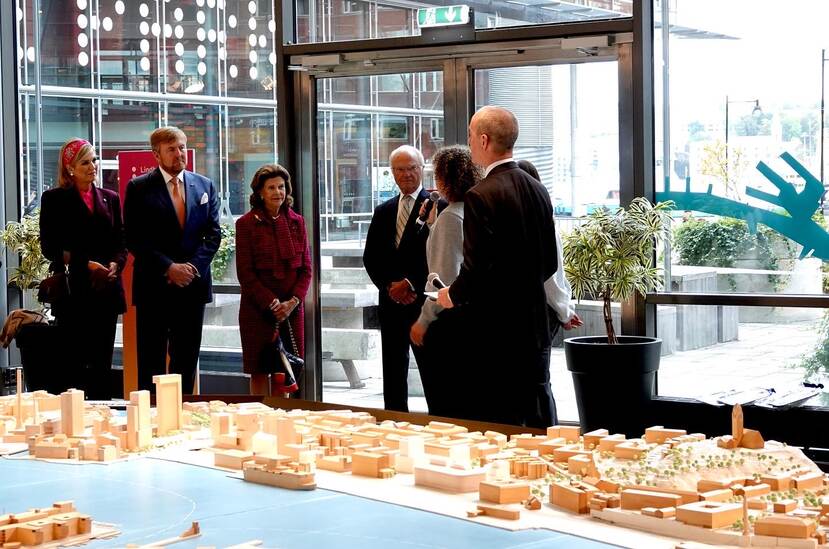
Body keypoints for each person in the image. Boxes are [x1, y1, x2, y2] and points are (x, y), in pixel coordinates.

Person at [437, 106, 559, 427]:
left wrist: (452, 295)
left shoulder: (481, 195)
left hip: (495, 329)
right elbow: (549, 262)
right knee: (535, 411)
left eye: (470, 136)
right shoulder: (538, 188)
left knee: (497, 419)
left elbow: (475, 269)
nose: (470, 143)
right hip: (534, 324)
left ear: (484, 140)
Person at [124, 126, 221, 394]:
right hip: (154, 288)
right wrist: (169, 267)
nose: (179, 153)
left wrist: (190, 268)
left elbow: (213, 236)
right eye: (171, 149)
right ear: (157, 154)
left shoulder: (204, 185)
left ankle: (183, 418)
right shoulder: (139, 188)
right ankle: (150, 421)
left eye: (181, 147)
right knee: (151, 361)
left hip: (192, 287)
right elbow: (134, 238)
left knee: (186, 360)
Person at [39, 137, 127, 399]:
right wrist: (86, 264)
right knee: (72, 364)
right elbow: (49, 247)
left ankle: (103, 420)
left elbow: (122, 241)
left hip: (106, 291)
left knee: (102, 363)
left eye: (94, 160)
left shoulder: (110, 198)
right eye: (85, 162)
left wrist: (115, 264)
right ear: (70, 168)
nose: (93, 166)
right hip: (73, 292)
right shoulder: (54, 199)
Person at [409, 145, 480, 418]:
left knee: (444, 402)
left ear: (445, 178)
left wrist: (423, 321)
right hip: (469, 318)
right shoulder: (471, 210)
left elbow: (441, 279)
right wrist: (432, 226)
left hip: (449, 322)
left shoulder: (451, 217)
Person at [363, 145, 431, 412]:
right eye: (400, 170)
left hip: (423, 304)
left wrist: (411, 284)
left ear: (422, 168)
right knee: (393, 370)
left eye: (412, 168)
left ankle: (439, 422)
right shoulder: (383, 211)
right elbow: (371, 257)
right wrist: (390, 287)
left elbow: (436, 256)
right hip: (391, 304)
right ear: (391, 173)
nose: (406, 175)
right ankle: (394, 422)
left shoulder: (436, 206)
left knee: (431, 369)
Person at [235, 164, 311, 395]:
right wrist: (272, 303)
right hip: (257, 310)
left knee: (285, 370)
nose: (278, 192)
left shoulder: (297, 221)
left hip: (291, 311)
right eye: (271, 188)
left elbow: (307, 269)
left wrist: (292, 303)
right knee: (259, 369)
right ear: (260, 192)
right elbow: (245, 273)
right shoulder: (246, 224)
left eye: (281, 187)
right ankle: (256, 420)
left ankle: (281, 419)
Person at [516, 159, 584, 333]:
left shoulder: (508, 224)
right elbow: (552, 275)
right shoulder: (543, 224)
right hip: (542, 310)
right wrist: (565, 312)